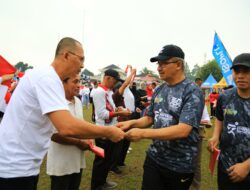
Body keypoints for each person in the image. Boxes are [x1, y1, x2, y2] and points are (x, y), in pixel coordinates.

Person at [0, 37, 124, 190]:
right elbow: (67, 126)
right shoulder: (47, 78)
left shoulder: (49, 78)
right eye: (81, 59)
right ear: (66, 55)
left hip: (21, 165)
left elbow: (63, 124)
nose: (83, 65)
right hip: (14, 168)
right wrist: (107, 131)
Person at [117, 44, 204, 190]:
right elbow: (150, 118)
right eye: (158, 63)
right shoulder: (159, 89)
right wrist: (131, 123)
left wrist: (143, 133)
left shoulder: (192, 91)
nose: (159, 67)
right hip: (154, 159)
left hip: (179, 165)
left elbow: (183, 130)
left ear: (178, 64)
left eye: (164, 63)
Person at [208, 53, 250, 190]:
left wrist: (246, 166)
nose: (240, 76)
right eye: (237, 71)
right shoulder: (224, 97)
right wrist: (215, 136)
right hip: (226, 168)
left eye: (246, 71)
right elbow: (220, 119)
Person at [47, 74, 92, 190]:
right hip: (61, 163)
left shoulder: (77, 101)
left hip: (76, 159)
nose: (79, 85)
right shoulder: (55, 103)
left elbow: (80, 126)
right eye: (75, 82)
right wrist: (79, 143)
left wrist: (88, 137)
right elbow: (54, 135)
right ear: (63, 83)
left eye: (79, 82)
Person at [90, 69, 131, 190]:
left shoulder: (108, 91)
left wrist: (119, 110)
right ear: (107, 78)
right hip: (102, 131)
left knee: (107, 159)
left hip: (110, 130)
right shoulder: (98, 92)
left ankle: (102, 181)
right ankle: (96, 185)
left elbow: (111, 108)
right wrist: (118, 113)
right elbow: (102, 114)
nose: (115, 84)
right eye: (115, 80)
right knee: (101, 160)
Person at [189, 78, 211, 190]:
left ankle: (195, 187)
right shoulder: (184, 100)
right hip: (182, 136)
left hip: (197, 135)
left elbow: (207, 120)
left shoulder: (201, 103)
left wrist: (205, 122)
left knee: (196, 163)